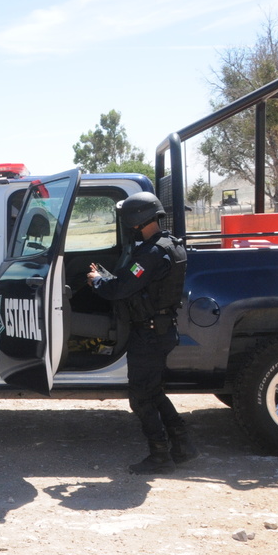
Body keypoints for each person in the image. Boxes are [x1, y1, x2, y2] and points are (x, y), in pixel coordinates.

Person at [87, 191, 192, 474]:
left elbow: (121, 289)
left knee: (141, 398)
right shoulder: (170, 245)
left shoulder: (150, 253)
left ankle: (160, 456)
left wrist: (98, 281)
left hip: (148, 335)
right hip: (162, 330)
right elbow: (138, 284)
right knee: (153, 391)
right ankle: (183, 445)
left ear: (136, 221)